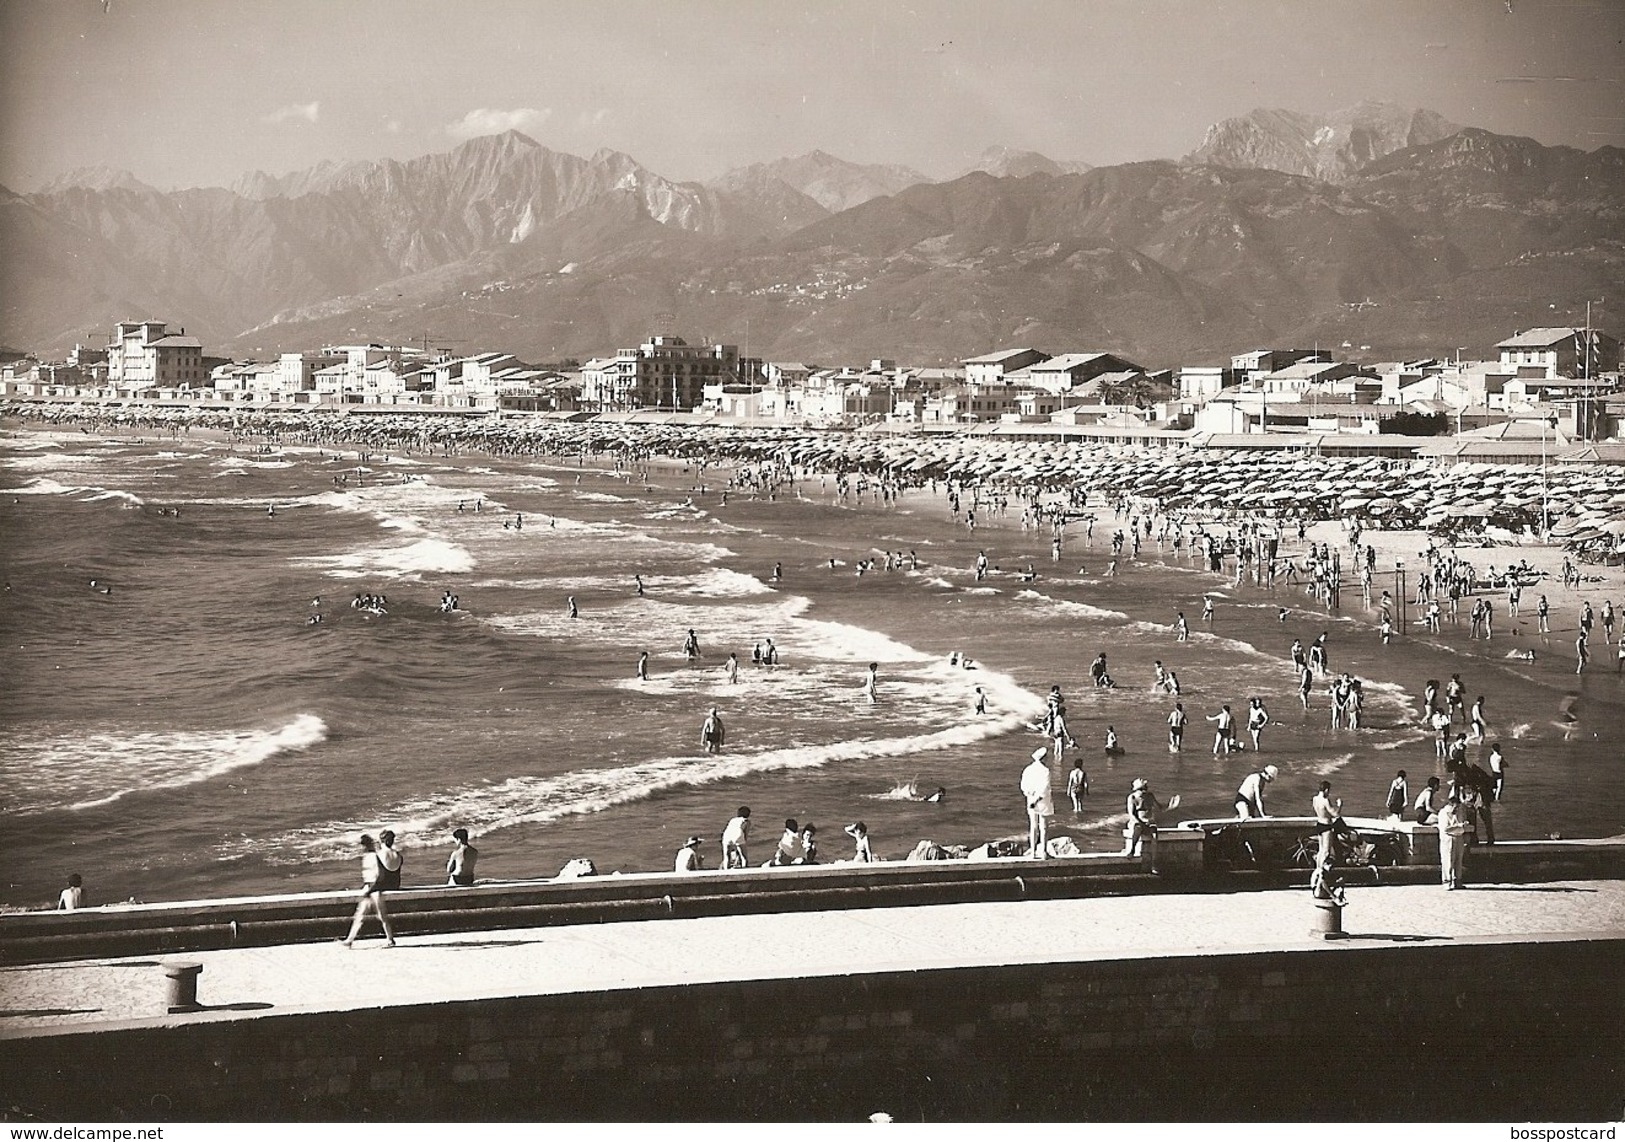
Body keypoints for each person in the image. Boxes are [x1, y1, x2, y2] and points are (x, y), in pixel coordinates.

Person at [340, 834, 397, 948]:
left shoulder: (373, 857)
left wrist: (370, 890)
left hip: (374, 889)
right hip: (370, 889)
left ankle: (390, 940)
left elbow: (378, 875)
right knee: (360, 915)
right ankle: (349, 940)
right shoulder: (369, 856)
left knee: (381, 916)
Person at [1021, 747, 1053, 858]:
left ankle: (1033, 852)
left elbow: (1023, 786)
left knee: (1033, 826)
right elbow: (1044, 788)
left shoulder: (1028, 769)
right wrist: (1037, 799)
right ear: (1043, 758)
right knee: (1043, 826)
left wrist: (1030, 796)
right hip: (1042, 800)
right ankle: (1043, 852)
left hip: (1030, 798)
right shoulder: (1045, 770)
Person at [1436, 794, 1471, 890]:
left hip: (1459, 837)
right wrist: (1459, 825)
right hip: (1448, 838)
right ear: (1451, 804)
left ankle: (1457, 881)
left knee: (1458, 860)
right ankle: (1447, 881)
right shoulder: (1443, 813)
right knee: (1448, 860)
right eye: (1455, 806)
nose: (1457, 808)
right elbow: (1445, 828)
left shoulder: (1459, 812)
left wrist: (1463, 826)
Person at [1122, 778, 1163, 858]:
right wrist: (1141, 822)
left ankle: (1154, 863)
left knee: (1154, 836)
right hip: (1137, 822)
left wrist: (1170, 806)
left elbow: (1159, 807)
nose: (1145, 789)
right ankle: (1132, 851)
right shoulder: (1132, 797)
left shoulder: (1150, 796)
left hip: (1149, 821)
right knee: (1138, 828)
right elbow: (1132, 814)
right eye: (1144, 787)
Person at [1311, 780, 1344, 868]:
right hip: (1326, 826)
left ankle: (1317, 868)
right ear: (1326, 790)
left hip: (1319, 824)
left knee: (1320, 851)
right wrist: (1339, 806)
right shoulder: (1325, 801)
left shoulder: (1315, 799)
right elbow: (1335, 814)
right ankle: (1321, 870)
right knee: (1326, 852)